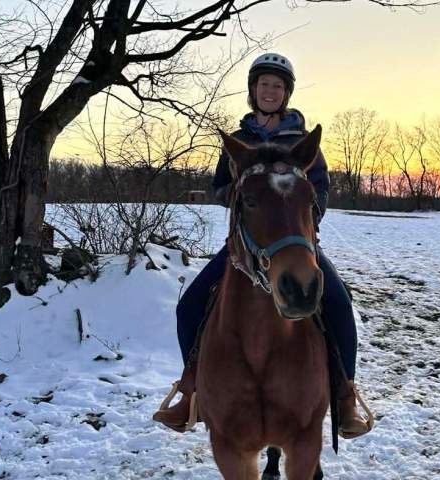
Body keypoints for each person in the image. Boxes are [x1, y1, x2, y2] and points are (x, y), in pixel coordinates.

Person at [153, 53, 371, 438]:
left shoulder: (302, 142)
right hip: (245, 245)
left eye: (277, 86)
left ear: (286, 93)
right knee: (189, 306)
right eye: (263, 84)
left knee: (338, 302)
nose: (270, 91)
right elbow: (219, 187)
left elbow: (318, 187)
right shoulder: (239, 141)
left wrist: (303, 224)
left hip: (293, 241)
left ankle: (345, 396)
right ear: (253, 91)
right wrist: (242, 193)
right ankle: (192, 390)